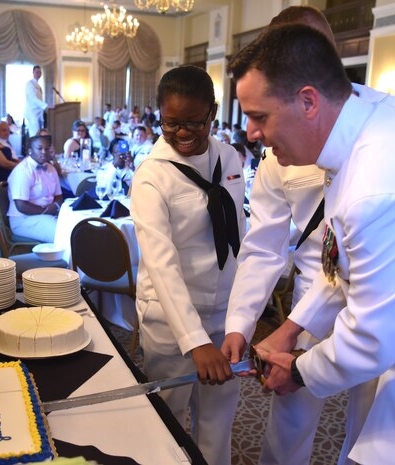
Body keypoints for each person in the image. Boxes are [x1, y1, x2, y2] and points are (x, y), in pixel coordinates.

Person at [233, 23, 395, 465]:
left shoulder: (380, 183)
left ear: (308, 100)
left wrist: (297, 370)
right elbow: (344, 266)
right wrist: (290, 328)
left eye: (260, 116)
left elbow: (370, 341)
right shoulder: (363, 136)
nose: (250, 133)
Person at [130, 65, 246, 465]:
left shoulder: (230, 158)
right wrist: (195, 341)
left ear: (212, 112)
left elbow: (239, 234)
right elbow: (161, 265)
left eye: (193, 123)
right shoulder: (151, 177)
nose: (181, 133)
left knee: (218, 419)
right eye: (170, 123)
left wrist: (240, 316)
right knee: (170, 419)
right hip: (170, 320)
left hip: (224, 315)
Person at [7, 135, 63, 243]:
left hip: (48, 215)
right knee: (63, 233)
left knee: (75, 227)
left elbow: (59, 196)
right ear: (30, 151)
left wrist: (55, 206)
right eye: (39, 148)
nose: (44, 152)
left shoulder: (51, 169)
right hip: (23, 220)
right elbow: (21, 205)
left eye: (47, 149)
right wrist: (46, 211)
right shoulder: (23, 171)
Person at [25, 65, 48, 136]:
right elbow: (32, 98)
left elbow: (40, 99)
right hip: (32, 112)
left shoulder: (39, 86)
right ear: (33, 72)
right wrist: (45, 106)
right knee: (34, 134)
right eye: (37, 72)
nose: (38, 74)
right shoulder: (30, 84)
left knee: (39, 133)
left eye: (40, 72)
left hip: (39, 113)